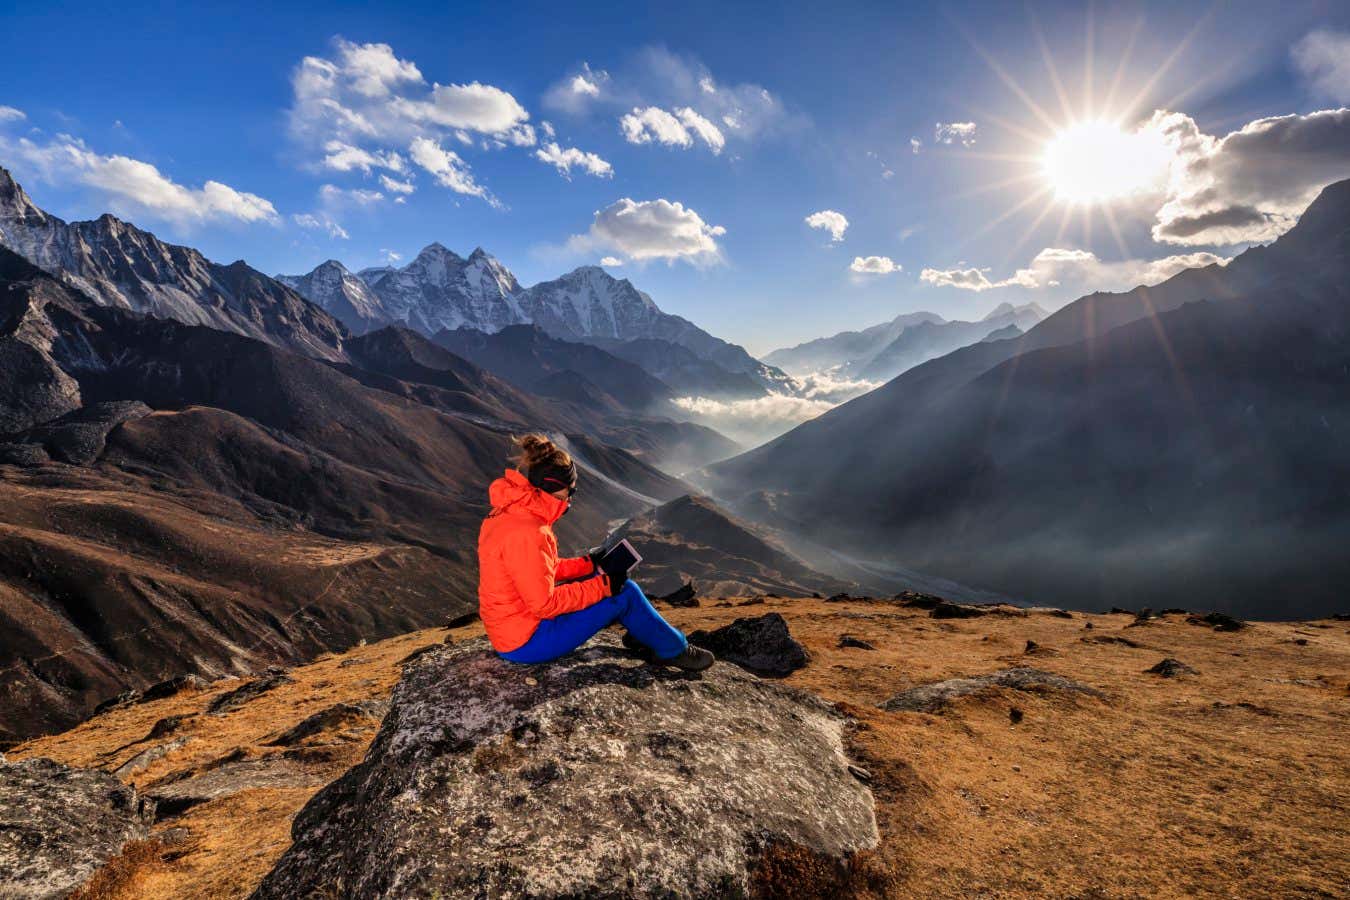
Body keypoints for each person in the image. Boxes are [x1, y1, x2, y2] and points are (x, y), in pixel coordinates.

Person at [477, 433, 714, 671]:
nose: (571, 498)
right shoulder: (530, 531)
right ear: (558, 488)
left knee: (600, 582)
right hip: (527, 641)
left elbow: (536, 569)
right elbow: (544, 604)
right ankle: (674, 650)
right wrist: (604, 586)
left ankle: (647, 634)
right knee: (624, 593)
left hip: (513, 629)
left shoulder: (510, 513)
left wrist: (587, 564)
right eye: (570, 492)